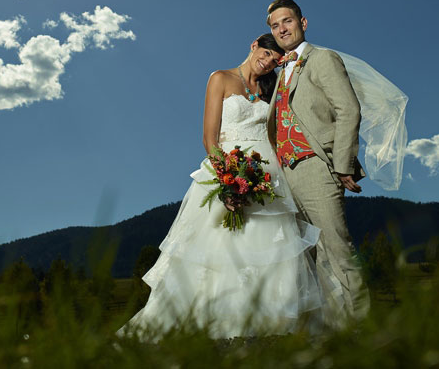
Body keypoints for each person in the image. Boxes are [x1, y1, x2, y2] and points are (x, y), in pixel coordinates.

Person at [121, 33, 324, 339]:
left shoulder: (271, 91)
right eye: (266, 53)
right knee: (219, 250)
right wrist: (229, 182)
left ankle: (265, 330)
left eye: (274, 59)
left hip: (268, 175)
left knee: (269, 248)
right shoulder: (221, 79)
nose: (268, 62)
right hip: (228, 169)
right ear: (254, 45)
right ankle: (212, 327)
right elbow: (209, 140)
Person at [266, 0, 370, 324]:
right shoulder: (280, 72)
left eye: (288, 21)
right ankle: (335, 330)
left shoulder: (323, 59)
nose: (282, 29)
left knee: (336, 248)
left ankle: (362, 331)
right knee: (310, 257)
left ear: (303, 23)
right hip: (286, 175)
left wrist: (342, 165)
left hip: (317, 167)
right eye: (275, 25)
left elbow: (348, 109)